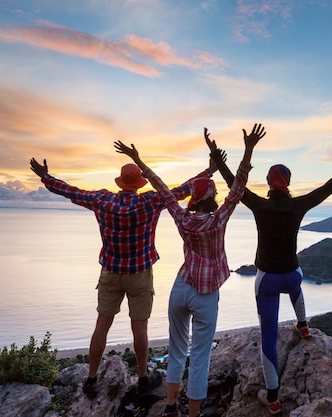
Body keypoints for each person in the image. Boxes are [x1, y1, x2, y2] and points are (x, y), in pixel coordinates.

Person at [211, 127, 332, 414]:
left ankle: (272, 397)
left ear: (269, 184)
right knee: (296, 280)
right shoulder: (298, 205)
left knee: (268, 337)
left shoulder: (260, 205)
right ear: (288, 182)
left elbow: (235, 184)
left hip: (267, 280)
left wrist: (223, 154)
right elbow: (328, 188)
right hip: (292, 274)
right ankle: (303, 324)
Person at [29, 156, 217, 399]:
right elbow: (182, 190)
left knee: (102, 326)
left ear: (120, 182)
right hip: (139, 274)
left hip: (110, 272)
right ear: (139, 184)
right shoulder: (150, 201)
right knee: (139, 327)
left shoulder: (101, 200)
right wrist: (209, 171)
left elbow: (70, 191)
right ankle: (142, 379)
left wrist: (45, 177)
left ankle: (91, 379)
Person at [114, 123, 265, 417]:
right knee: (200, 357)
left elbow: (160, 187)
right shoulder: (219, 219)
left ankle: (171, 406)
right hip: (206, 294)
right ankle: (192, 413)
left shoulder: (182, 217)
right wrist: (248, 149)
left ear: (195, 198)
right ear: (211, 196)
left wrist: (140, 160)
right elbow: (238, 187)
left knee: (177, 349)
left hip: (181, 288)